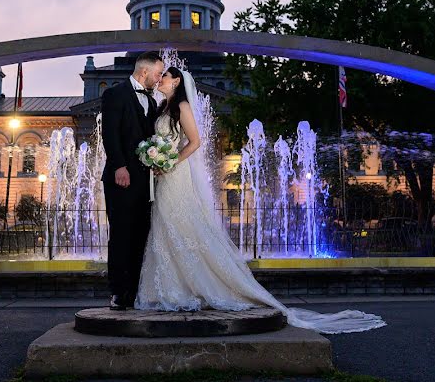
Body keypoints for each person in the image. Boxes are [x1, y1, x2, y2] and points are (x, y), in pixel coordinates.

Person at [134, 67, 386, 334]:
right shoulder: (163, 107)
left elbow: (195, 141)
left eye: (164, 76)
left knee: (182, 226)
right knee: (166, 227)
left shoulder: (182, 105)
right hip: (164, 177)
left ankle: (195, 287)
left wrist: (171, 160)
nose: (159, 79)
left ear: (176, 81)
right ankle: (171, 288)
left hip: (176, 173)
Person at [100, 51, 163, 310]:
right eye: (158, 74)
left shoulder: (153, 101)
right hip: (121, 178)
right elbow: (110, 133)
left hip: (145, 182)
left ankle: (134, 291)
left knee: (140, 236)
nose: (159, 79)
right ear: (144, 72)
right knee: (121, 234)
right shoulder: (115, 94)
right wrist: (119, 166)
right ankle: (117, 292)